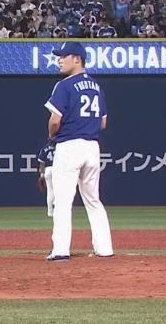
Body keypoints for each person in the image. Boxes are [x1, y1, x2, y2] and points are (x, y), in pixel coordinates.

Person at [43, 42, 113, 261]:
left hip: (69, 146)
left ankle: (60, 250)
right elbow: (103, 123)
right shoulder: (97, 87)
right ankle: (104, 248)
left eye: (64, 56)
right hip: (92, 147)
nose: (59, 60)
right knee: (93, 200)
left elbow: (55, 120)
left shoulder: (64, 85)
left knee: (63, 201)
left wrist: (52, 136)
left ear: (77, 59)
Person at [37, 142, 55, 218]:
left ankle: (50, 212)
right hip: (57, 169)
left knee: (50, 191)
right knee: (59, 189)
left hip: (48, 170)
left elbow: (41, 163)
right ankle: (55, 202)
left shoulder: (45, 148)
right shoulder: (61, 146)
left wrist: (42, 175)